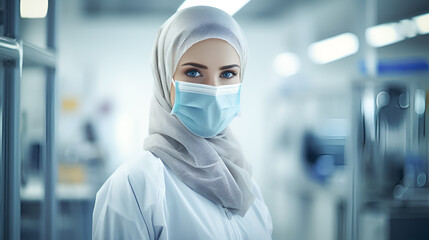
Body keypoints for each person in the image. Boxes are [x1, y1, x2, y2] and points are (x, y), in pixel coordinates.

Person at [92, 6, 273, 240]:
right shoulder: (135, 186)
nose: (214, 89)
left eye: (227, 74)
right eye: (194, 73)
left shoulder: (246, 186)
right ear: (164, 77)